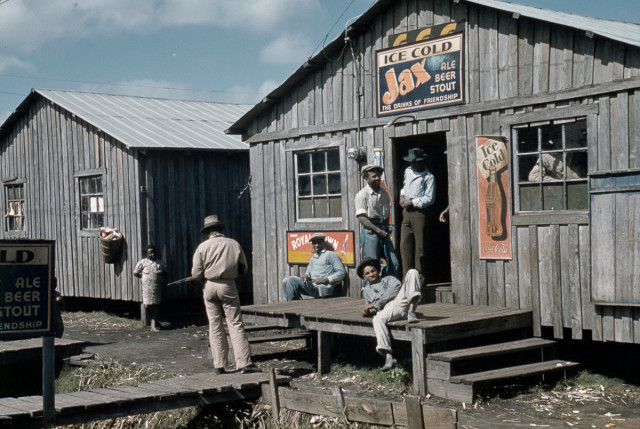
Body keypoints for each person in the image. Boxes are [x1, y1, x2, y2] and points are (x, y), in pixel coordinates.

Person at [191, 215, 259, 374]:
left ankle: (219, 365)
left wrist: (204, 278)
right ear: (221, 229)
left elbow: (196, 273)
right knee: (235, 323)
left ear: (207, 231)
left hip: (209, 286)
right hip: (228, 284)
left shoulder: (202, 247)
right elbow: (244, 268)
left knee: (214, 325)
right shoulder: (233, 244)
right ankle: (243, 363)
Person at [358, 257, 422, 371]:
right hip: (388, 311)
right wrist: (367, 311)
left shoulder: (389, 279)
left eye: (373, 271)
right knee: (377, 319)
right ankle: (388, 356)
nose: (371, 274)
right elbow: (372, 308)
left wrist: (375, 304)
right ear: (364, 277)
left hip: (401, 303)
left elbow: (395, 291)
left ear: (378, 271)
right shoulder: (367, 291)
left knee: (412, 272)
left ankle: (412, 311)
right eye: (367, 273)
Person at [354, 164, 400, 278]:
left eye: (379, 176)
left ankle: (388, 285)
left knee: (394, 263)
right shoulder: (362, 195)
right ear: (366, 178)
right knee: (370, 266)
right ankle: (369, 291)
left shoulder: (383, 192)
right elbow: (362, 218)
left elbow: (385, 214)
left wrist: (385, 229)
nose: (377, 178)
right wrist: (378, 231)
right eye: (374, 176)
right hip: (371, 231)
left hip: (383, 229)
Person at [399, 148, 435, 280]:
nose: (413, 165)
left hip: (419, 213)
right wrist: (401, 197)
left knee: (420, 247)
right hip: (406, 212)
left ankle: (420, 277)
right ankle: (406, 277)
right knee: (404, 244)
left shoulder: (429, 177)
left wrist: (412, 202)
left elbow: (430, 198)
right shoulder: (408, 171)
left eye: (415, 163)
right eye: (411, 163)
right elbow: (404, 186)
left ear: (421, 162)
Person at [282, 232, 346, 300]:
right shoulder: (314, 258)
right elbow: (308, 273)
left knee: (290, 280)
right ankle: (294, 304)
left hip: (323, 288)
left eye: (319, 243)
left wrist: (325, 280)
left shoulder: (330, 255)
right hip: (313, 286)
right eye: (314, 243)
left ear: (323, 243)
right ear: (312, 245)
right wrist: (305, 277)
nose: (317, 245)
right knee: (286, 281)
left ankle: (292, 305)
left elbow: (341, 273)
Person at [134, 245, 168, 332]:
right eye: (150, 253)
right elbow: (136, 273)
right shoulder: (142, 262)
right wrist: (143, 277)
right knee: (147, 305)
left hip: (156, 286)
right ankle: (155, 322)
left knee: (156, 305)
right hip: (146, 288)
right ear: (147, 254)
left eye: (153, 252)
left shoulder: (159, 263)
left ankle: (153, 325)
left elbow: (165, 272)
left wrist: (161, 275)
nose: (152, 254)